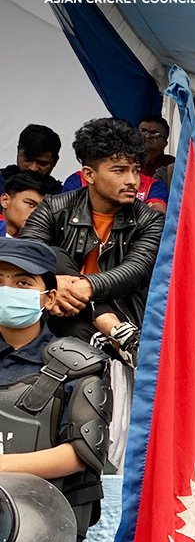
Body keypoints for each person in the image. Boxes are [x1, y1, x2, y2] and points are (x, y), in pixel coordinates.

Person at [21, 117, 163, 364]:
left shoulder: (149, 220)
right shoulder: (54, 208)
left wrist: (78, 287)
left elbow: (135, 271)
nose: (132, 180)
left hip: (124, 313)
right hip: (60, 312)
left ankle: (110, 330)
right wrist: (55, 284)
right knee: (51, 254)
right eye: (119, 170)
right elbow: (26, 257)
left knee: (74, 327)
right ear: (89, 174)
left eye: (136, 170)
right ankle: (112, 329)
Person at [0, 237, 110, 542]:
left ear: (49, 298)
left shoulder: (78, 363)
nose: (8, 290)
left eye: (22, 283)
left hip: (43, 540)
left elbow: (82, 453)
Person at [0, 123, 62, 195]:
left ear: (55, 162)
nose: (33, 168)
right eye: (27, 160)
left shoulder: (62, 196)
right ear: (18, 152)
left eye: (42, 163)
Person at [0, 171, 51, 238]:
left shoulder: (43, 240)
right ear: (5, 200)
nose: (36, 213)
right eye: (30, 204)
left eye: (41, 208)